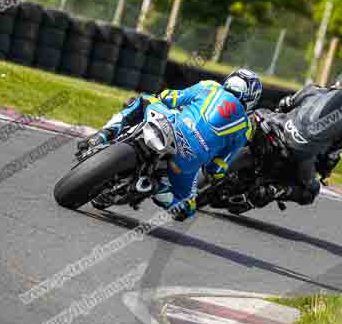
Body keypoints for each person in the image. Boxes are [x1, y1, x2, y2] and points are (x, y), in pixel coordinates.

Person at [77, 68, 262, 220]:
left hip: (173, 126)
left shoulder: (210, 87)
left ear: (229, 81)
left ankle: (102, 135)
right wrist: (211, 168)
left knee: (143, 100)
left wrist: (163, 99)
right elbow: (218, 167)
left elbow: (171, 97)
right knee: (187, 209)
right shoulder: (245, 128)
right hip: (187, 162)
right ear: (252, 97)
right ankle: (158, 188)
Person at [240, 72, 342, 211]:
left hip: (278, 125)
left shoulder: (313, 89)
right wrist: (324, 172)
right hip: (300, 155)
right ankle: (276, 190)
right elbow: (331, 157)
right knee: (311, 191)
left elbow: (285, 103)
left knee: (258, 113)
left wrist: (278, 112)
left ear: (336, 84)